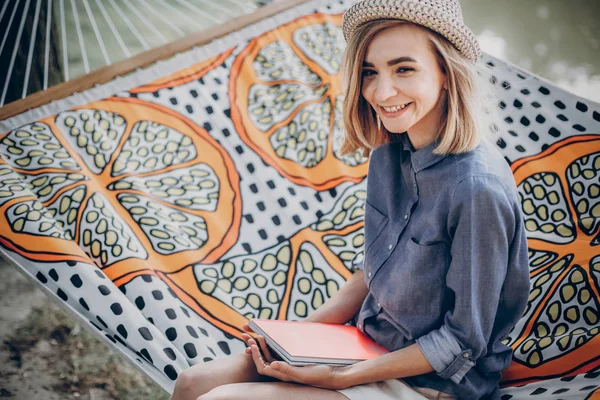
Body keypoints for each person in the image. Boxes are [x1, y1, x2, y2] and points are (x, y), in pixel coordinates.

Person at [170, 0, 531, 399]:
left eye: (404, 69)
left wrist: (343, 378)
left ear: (446, 72)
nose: (382, 91)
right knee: (192, 384)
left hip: (428, 383)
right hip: (360, 345)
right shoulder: (389, 156)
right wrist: (295, 341)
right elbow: (373, 274)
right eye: (369, 72)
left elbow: (462, 342)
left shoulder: (477, 190)